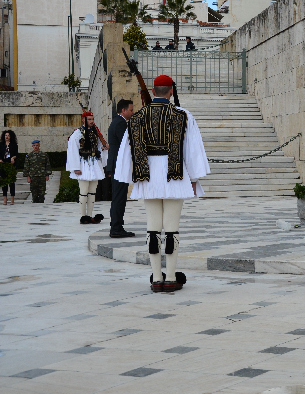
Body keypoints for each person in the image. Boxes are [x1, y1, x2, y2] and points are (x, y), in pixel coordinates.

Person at [115, 75, 209, 293]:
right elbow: (192, 149)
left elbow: (127, 150)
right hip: (175, 176)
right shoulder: (183, 115)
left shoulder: (137, 118)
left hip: (148, 178)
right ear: (171, 91)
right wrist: (194, 178)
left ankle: (157, 278)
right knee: (172, 228)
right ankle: (171, 277)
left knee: (153, 227)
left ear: (153, 91)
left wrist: (128, 176)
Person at [67, 111, 108, 224]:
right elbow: (73, 150)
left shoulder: (94, 132)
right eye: (89, 119)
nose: (91, 121)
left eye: (92, 119)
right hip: (83, 164)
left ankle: (89, 216)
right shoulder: (77, 133)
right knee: (84, 191)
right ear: (83, 120)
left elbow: (98, 147)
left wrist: (104, 148)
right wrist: (75, 167)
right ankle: (83, 216)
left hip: (94, 163)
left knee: (92, 192)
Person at [106, 99, 136, 238]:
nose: (132, 112)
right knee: (119, 198)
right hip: (118, 166)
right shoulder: (120, 123)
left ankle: (117, 226)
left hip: (117, 165)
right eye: (131, 110)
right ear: (123, 110)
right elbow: (128, 143)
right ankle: (116, 228)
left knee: (119, 197)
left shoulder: (118, 121)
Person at [2, 129, 18, 205]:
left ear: (11, 136)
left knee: (11, 182)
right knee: (4, 182)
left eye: (8, 135)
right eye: (6, 135)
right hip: (3, 165)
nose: (7, 137)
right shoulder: (1, 145)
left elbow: (16, 154)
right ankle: (5, 198)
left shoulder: (14, 145)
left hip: (11, 165)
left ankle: (12, 198)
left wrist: (13, 158)